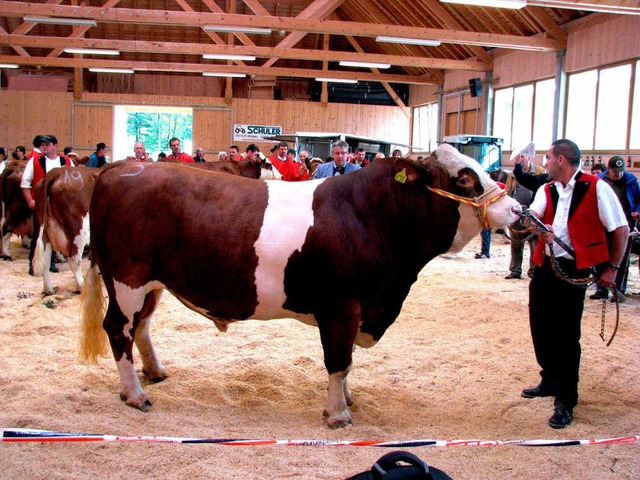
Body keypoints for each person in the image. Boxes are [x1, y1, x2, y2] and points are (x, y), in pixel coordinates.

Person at [521, 139, 628, 429]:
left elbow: (620, 229)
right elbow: (534, 217)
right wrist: (532, 225)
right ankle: (550, 380)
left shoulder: (597, 188)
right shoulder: (546, 189)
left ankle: (567, 398)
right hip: (545, 266)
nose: (545, 160)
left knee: (567, 335)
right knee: (540, 326)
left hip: (575, 268)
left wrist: (613, 268)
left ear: (562, 160)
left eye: (548, 156)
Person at [20, 135, 74, 275]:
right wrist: (30, 201)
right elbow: (25, 183)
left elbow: (74, 184)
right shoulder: (35, 161)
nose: (43, 146)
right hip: (41, 204)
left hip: (60, 206)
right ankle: (33, 264)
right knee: (39, 234)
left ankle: (50, 263)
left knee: (55, 233)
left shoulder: (67, 161)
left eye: (47, 144)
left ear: (55, 145)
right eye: (42, 144)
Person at [590, 156, 640, 300]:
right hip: (604, 224)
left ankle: (618, 290)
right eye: (615, 171)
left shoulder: (631, 181)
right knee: (600, 257)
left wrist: (637, 210)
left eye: (621, 171)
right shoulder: (599, 181)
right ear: (608, 169)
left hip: (624, 224)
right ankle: (601, 290)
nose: (618, 174)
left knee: (622, 258)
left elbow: (638, 200)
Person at [504, 142, 546, 279]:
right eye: (518, 156)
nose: (520, 158)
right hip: (517, 214)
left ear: (529, 158)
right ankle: (515, 270)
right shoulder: (512, 175)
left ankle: (534, 270)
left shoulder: (539, 172)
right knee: (516, 243)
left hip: (533, 214)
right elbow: (508, 191)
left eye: (522, 156)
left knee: (534, 243)